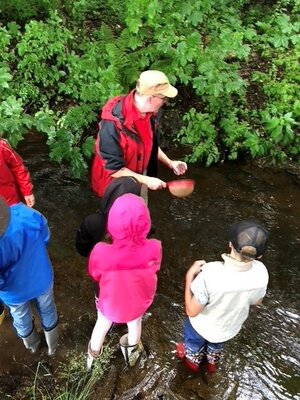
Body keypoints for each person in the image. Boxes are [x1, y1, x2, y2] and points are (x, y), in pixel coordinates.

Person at [176, 220, 269, 373]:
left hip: (199, 328)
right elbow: (257, 301)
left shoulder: (210, 273)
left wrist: (189, 277)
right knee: (215, 349)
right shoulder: (262, 274)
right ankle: (212, 365)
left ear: (230, 244)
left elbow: (191, 311)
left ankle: (191, 364)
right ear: (259, 256)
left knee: (192, 349)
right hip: (227, 330)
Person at [86, 193, 162, 370]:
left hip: (110, 306)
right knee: (135, 324)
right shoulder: (154, 247)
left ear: (112, 223)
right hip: (138, 304)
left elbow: (94, 274)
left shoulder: (101, 251)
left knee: (101, 325)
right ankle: (131, 356)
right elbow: (154, 267)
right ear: (145, 223)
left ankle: (91, 361)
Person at [90, 70, 187, 199]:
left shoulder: (149, 114)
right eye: (163, 98)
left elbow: (149, 144)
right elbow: (115, 170)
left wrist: (170, 162)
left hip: (137, 180)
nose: (164, 102)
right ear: (150, 98)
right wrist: (147, 180)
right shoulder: (112, 125)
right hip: (112, 189)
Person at [0, 196, 58, 355]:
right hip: (41, 276)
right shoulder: (24, 212)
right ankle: (53, 346)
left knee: (20, 317)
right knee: (47, 308)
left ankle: (33, 347)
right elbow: (45, 235)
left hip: (14, 292)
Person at [0, 138, 35, 324]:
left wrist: (27, 191)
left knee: (18, 245)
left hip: (11, 206)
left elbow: (18, 166)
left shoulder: (2, 146)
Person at [76, 176, 141, 257]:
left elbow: (82, 249)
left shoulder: (92, 221)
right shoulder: (138, 225)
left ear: (108, 192)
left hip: (97, 261)